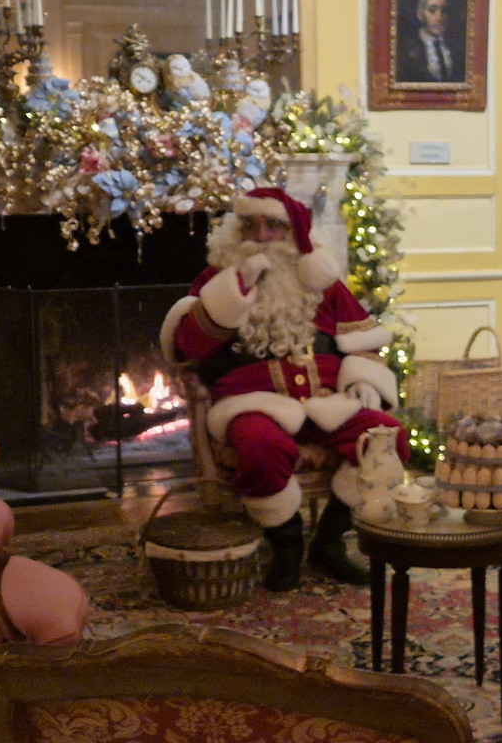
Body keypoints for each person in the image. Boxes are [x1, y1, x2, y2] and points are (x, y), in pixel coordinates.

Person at [159, 187, 409, 591]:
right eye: (251, 226)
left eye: (273, 226)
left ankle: (329, 542)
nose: (261, 236)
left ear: (294, 234)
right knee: (260, 446)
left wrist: (363, 378)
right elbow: (188, 346)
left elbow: (365, 340)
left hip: (327, 402)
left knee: (387, 436)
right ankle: (287, 545)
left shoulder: (322, 282)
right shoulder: (216, 280)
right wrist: (234, 291)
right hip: (251, 404)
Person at [396, 0, 465, 83]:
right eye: (432, 10)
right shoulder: (407, 49)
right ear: (420, 14)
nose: (439, 17)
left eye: (443, 11)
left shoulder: (455, 47)